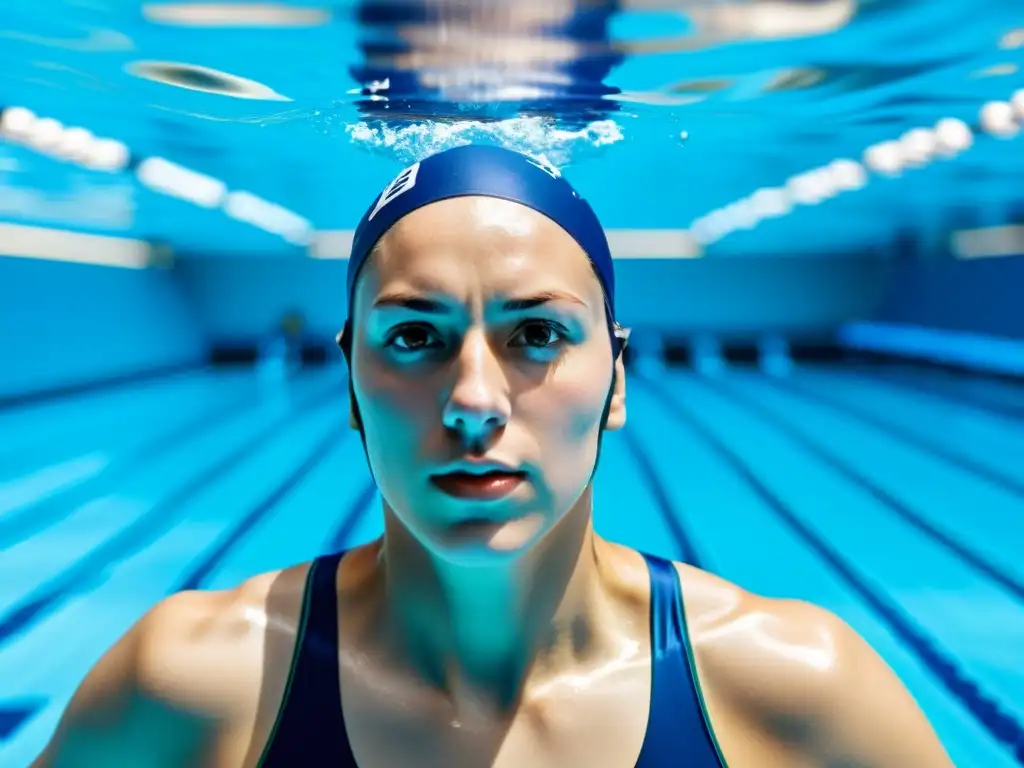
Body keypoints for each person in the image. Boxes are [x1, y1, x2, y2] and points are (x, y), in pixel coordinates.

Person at [31, 144, 953, 767]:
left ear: (618, 381)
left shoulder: (800, 693)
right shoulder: (189, 685)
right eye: (414, 337)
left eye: (537, 334)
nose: (475, 402)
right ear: (349, 380)